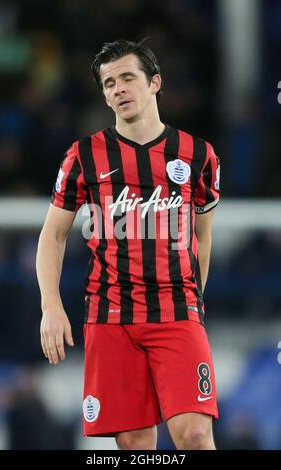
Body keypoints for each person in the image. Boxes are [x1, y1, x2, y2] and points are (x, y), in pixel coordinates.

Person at [36, 38, 220, 450]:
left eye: (127, 78)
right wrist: (51, 305)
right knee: (135, 442)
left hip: (177, 311)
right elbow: (54, 234)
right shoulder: (83, 155)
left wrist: (196, 299)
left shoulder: (197, 155)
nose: (118, 89)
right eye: (108, 83)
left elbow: (202, 235)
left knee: (193, 433)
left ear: (155, 82)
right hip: (110, 317)